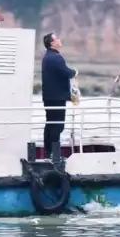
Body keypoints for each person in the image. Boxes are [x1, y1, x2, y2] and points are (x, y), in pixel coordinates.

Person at [41, 32, 77, 161]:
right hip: (56, 97)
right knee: (57, 125)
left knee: (50, 124)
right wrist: (75, 72)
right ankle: (54, 154)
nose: (60, 40)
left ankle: (48, 152)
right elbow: (65, 72)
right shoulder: (56, 57)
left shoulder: (47, 57)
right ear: (52, 43)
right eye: (57, 39)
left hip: (49, 96)